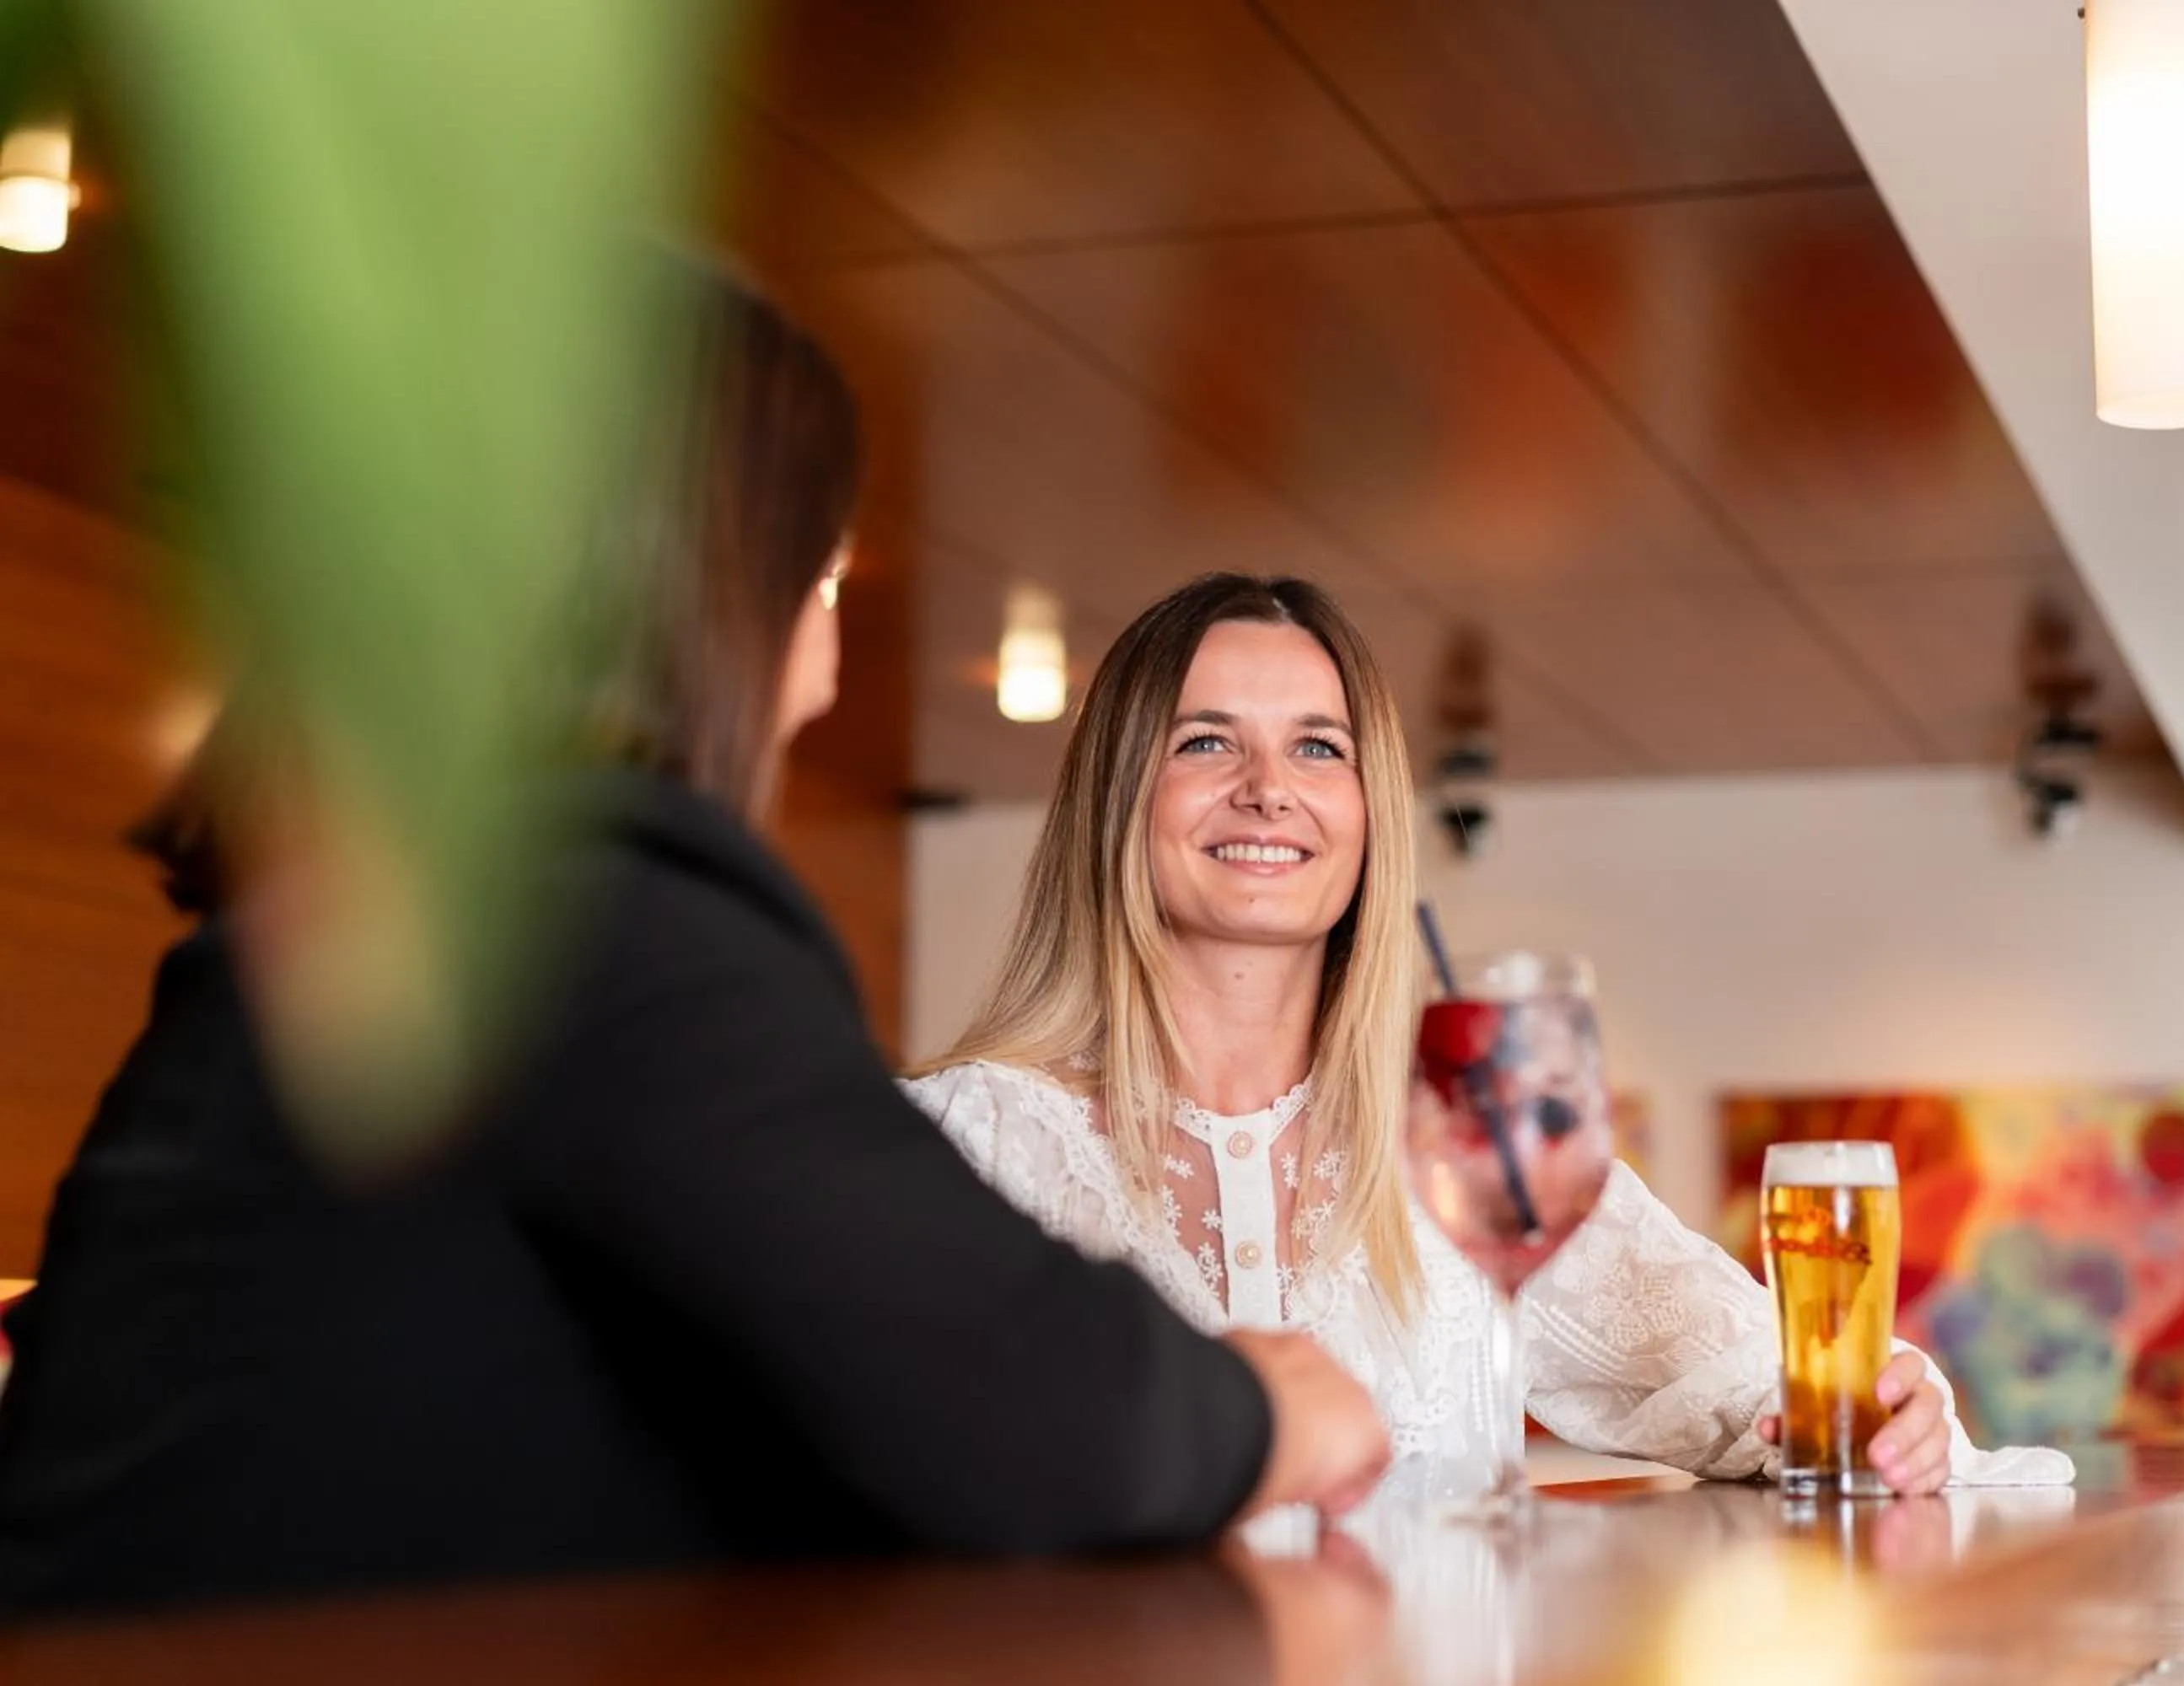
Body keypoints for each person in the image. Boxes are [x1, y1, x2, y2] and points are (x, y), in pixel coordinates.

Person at [0, 280, 1385, 1619]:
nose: (833, 641)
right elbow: (1014, 1390)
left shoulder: (411, 901)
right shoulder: (586, 922)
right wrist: (1269, 1405)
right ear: (719, 590)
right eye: (824, 566)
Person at [906, 573, 2010, 1504]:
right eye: (1206, 741)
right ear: (1118, 797)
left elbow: (1741, 1383)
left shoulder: (1478, 1132)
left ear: (1370, 808)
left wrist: (1888, 1409)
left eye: (1318, 750)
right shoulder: (967, 1141)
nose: (1268, 791)